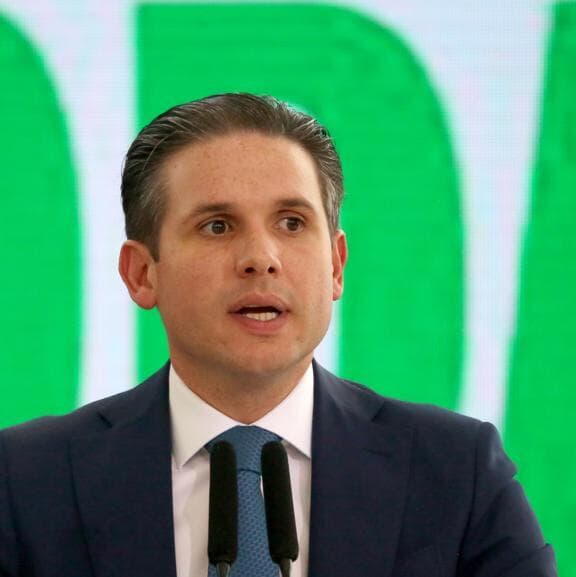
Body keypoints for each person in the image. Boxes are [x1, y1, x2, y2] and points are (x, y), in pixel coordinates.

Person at [0, 94, 557, 577]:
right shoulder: (27, 482)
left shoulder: (456, 473)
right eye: (217, 226)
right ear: (142, 274)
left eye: (292, 222)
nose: (261, 258)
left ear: (336, 265)